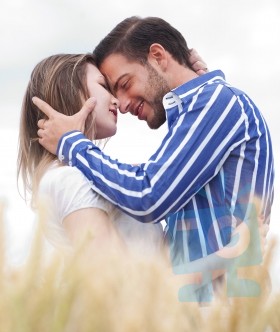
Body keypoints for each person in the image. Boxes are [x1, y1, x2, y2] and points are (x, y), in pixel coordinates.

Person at [32, 17, 274, 302]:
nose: (120, 103)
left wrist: (71, 143)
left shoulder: (217, 103)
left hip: (228, 317)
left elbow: (149, 193)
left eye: (124, 83)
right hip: (197, 321)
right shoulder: (202, 111)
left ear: (158, 56)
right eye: (110, 90)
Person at [17, 53, 165, 261]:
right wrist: (212, 265)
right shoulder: (68, 180)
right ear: (71, 92)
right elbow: (109, 282)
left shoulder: (107, 177)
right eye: (104, 86)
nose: (117, 101)